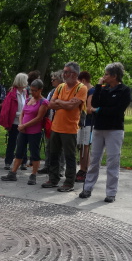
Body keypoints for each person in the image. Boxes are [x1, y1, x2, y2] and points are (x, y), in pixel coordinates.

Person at [80, 62, 131, 203]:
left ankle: (111, 193)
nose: (104, 77)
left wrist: (100, 110)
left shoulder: (125, 90)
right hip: (98, 128)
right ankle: (87, 188)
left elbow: (118, 110)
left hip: (114, 130)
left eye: (107, 75)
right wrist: (98, 87)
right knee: (94, 160)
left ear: (114, 76)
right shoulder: (103, 89)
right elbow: (95, 103)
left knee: (112, 161)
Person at [42, 61, 87, 192]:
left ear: (74, 74)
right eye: (64, 71)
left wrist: (59, 102)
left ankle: (69, 182)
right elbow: (50, 104)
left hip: (70, 128)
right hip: (56, 126)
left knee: (69, 156)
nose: (64, 74)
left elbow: (72, 106)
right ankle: (53, 179)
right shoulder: (60, 87)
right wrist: (65, 103)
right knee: (53, 154)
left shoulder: (81, 88)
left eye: (66, 72)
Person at [1, 79, 48, 185]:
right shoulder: (28, 100)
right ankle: (13, 173)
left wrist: (24, 125)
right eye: (31, 90)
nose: (33, 93)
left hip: (34, 132)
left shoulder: (43, 102)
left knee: (34, 153)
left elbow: (39, 118)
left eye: (35, 91)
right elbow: (22, 113)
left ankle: (33, 174)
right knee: (19, 151)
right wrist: (21, 125)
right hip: (23, 130)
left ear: (40, 90)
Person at [0, 73, 27, 171]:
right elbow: (7, 110)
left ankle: (23, 162)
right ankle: (8, 162)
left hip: (24, 122)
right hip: (14, 122)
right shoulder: (12, 94)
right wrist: (21, 114)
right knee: (12, 142)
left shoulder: (25, 93)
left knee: (23, 143)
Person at [38, 71, 63, 175]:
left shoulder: (64, 90)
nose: (52, 81)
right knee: (49, 146)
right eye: (51, 79)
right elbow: (48, 104)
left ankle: (60, 168)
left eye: (54, 80)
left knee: (60, 147)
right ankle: (47, 165)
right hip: (51, 121)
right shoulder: (52, 91)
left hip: (61, 122)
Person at [76, 71, 94, 183]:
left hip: (88, 123)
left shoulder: (91, 91)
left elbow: (88, 109)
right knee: (81, 146)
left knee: (85, 146)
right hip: (82, 123)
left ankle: (85, 170)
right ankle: (82, 168)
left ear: (83, 80)